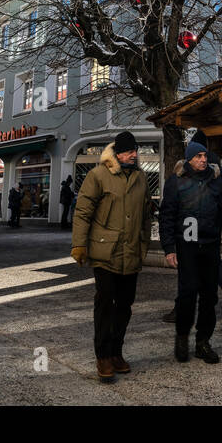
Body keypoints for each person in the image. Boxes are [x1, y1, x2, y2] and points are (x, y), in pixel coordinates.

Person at [72, 130, 152, 383]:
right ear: (117, 153)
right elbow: (83, 212)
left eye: (135, 150)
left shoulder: (141, 177)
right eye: (129, 150)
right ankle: (103, 355)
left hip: (131, 252)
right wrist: (79, 245)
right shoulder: (98, 175)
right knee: (105, 304)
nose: (134, 154)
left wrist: (144, 243)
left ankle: (117, 351)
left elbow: (146, 216)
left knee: (125, 305)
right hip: (104, 251)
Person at [159, 141, 222, 365]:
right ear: (189, 159)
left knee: (209, 296)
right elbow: (166, 216)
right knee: (187, 294)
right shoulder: (176, 182)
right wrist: (169, 248)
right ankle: (182, 337)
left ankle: (203, 342)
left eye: (205, 156)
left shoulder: (216, 180)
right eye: (199, 156)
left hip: (210, 245)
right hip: (187, 246)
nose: (203, 159)